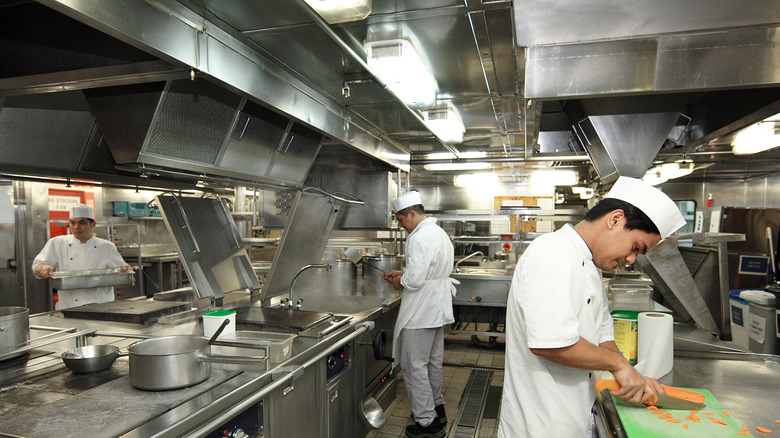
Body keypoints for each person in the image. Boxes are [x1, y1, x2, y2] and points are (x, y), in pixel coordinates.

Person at [497, 176, 686, 437]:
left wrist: (633, 378)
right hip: (541, 423)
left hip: (575, 416)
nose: (631, 260)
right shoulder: (553, 251)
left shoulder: (591, 265)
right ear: (615, 219)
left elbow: (604, 338)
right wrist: (620, 367)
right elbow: (550, 343)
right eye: (635, 247)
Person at [381, 191, 458, 438]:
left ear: (411, 214)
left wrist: (399, 280)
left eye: (400, 220)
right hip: (436, 309)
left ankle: (428, 424)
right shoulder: (438, 233)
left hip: (421, 310)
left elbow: (414, 280)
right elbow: (424, 273)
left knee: (414, 366)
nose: (401, 225)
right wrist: (402, 275)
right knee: (432, 363)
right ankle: (438, 410)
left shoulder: (418, 237)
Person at [32, 204, 133, 310]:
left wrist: (126, 268)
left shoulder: (107, 246)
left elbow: (122, 269)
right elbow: (37, 266)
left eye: (82, 223)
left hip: (103, 306)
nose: (76, 227)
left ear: (93, 224)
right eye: (72, 223)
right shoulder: (57, 243)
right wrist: (41, 268)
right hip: (70, 307)